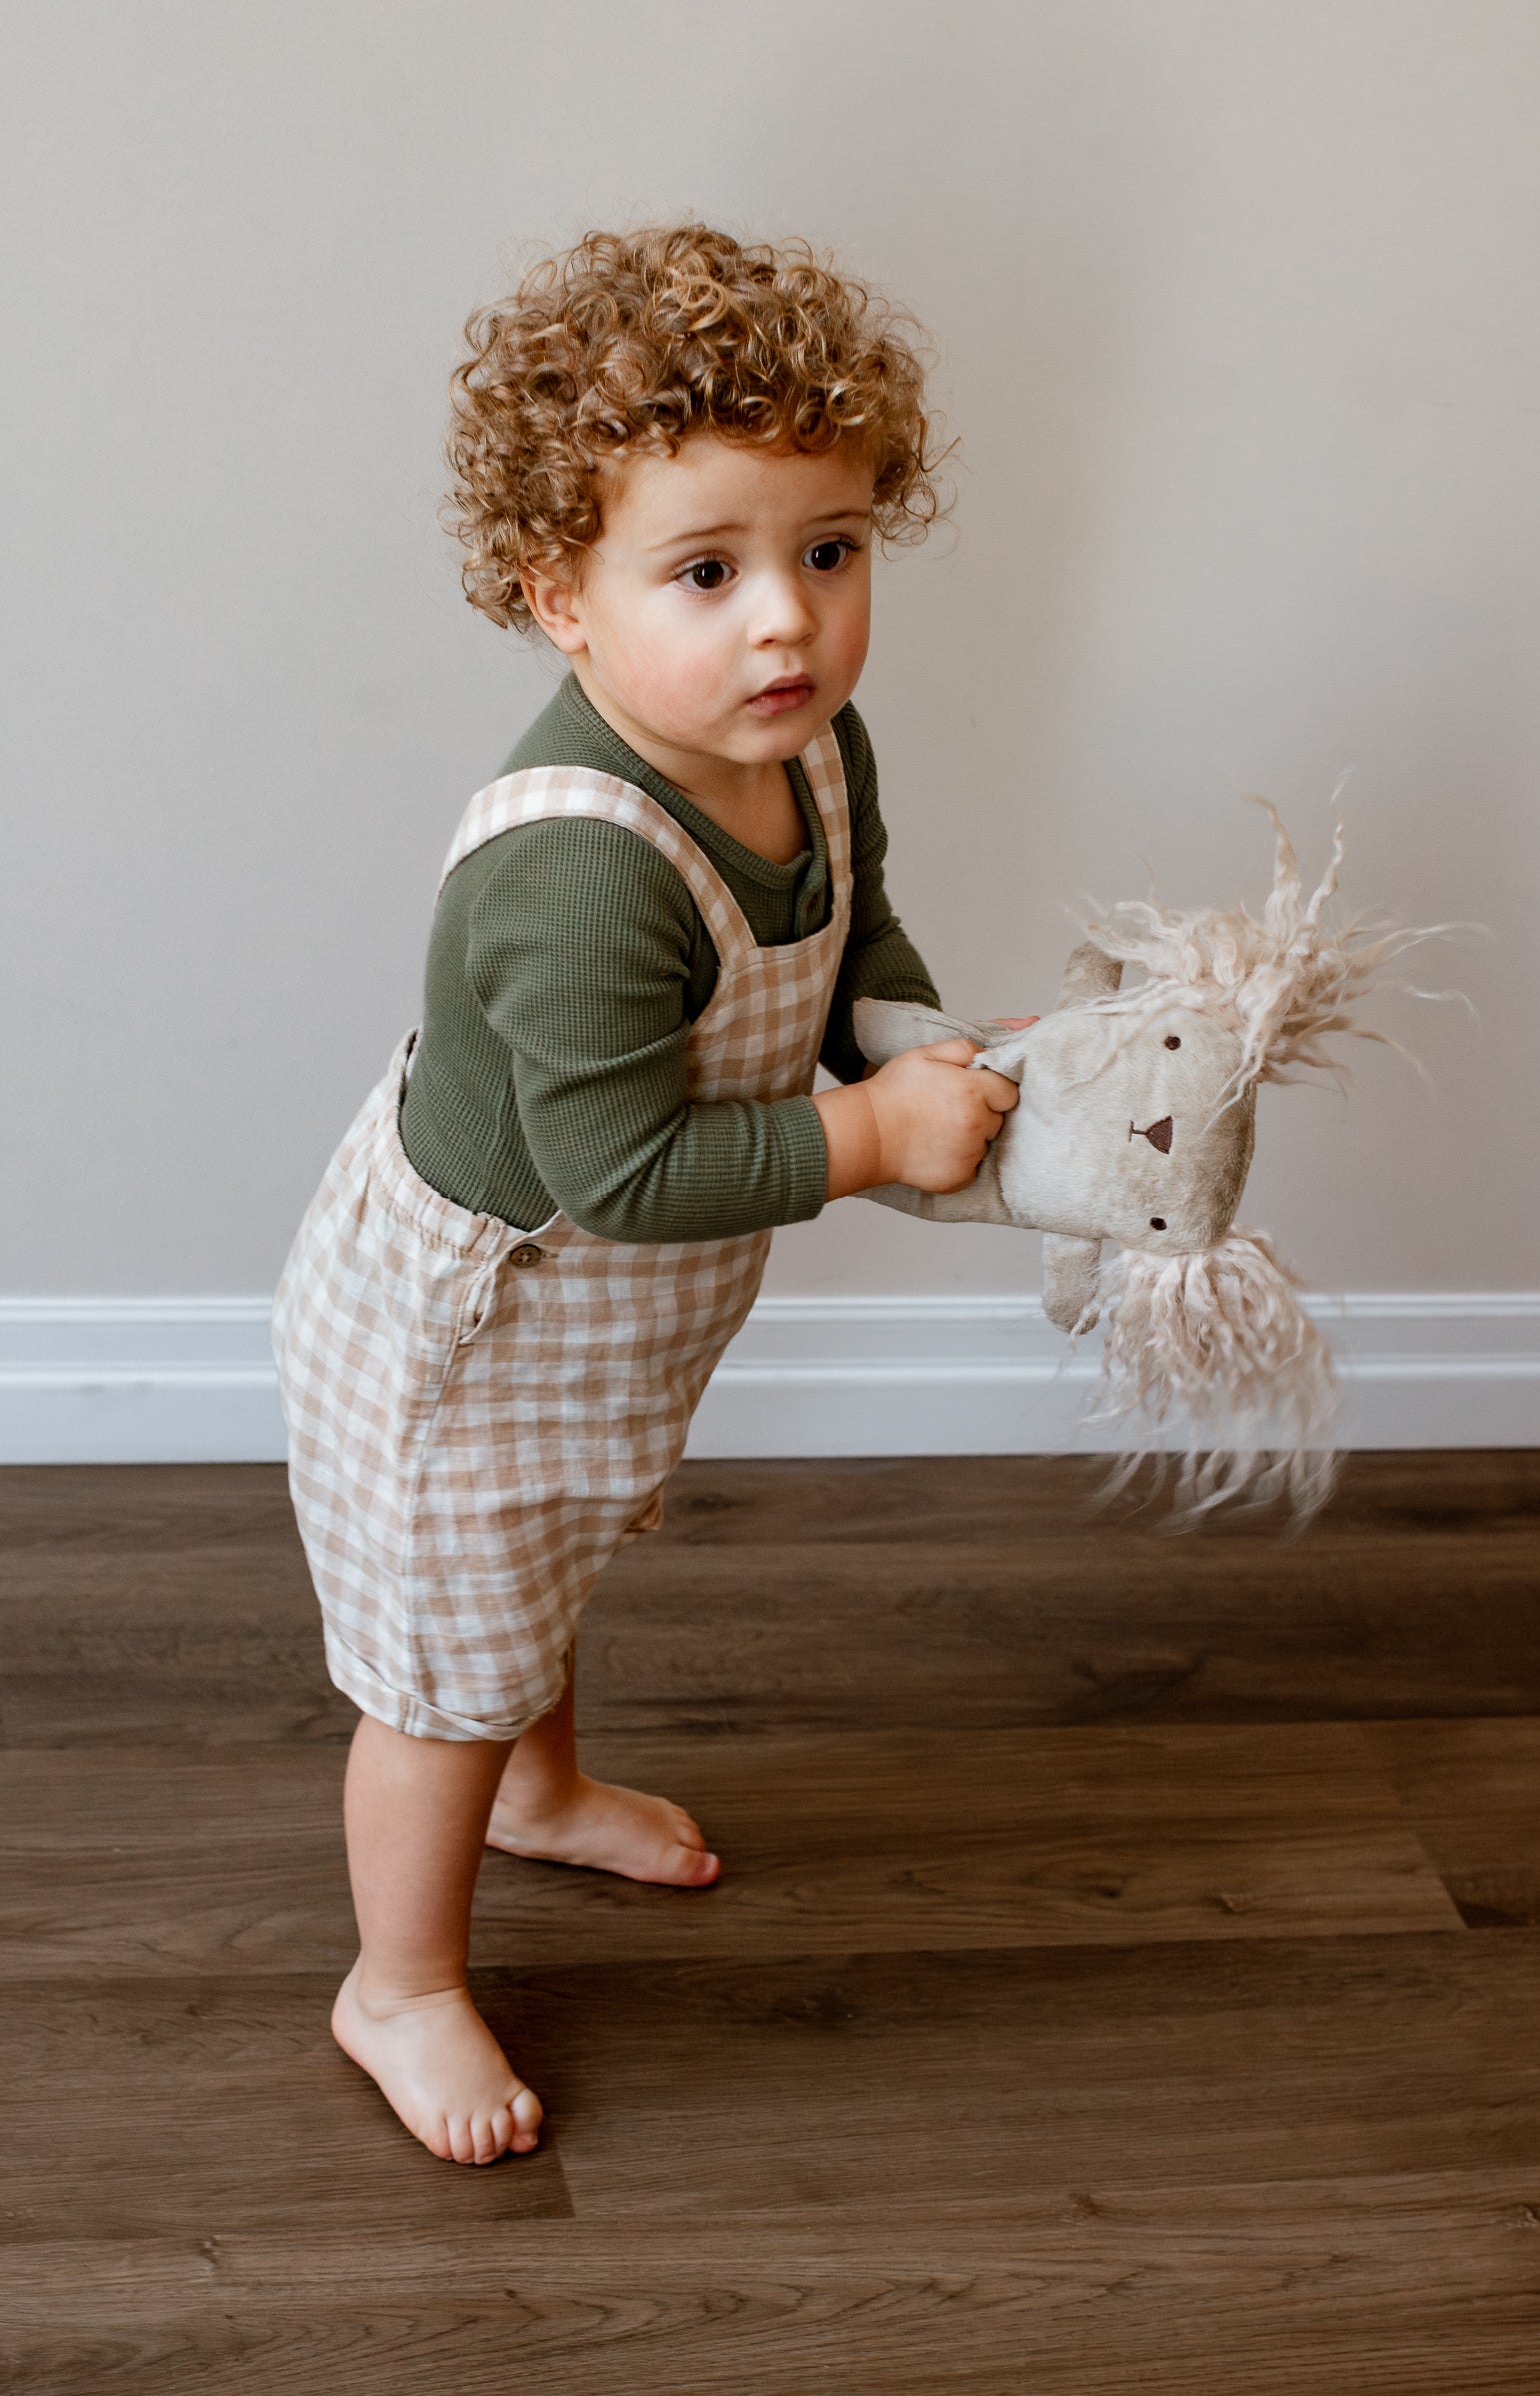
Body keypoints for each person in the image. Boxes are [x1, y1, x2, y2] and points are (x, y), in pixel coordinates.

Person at [270, 224, 1030, 2166]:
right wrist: (872, 1141)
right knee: (443, 1665)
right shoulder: (580, 869)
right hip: (472, 1322)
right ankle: (397, 1980)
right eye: (706, 571)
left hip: (608, 1317)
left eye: (830, 550)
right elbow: (616, 1169)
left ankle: (540, 1794)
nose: (788, 622)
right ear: (561, 599)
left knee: (548, 1562)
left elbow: (852, 932)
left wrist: (913, 1038)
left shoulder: (809, 745)